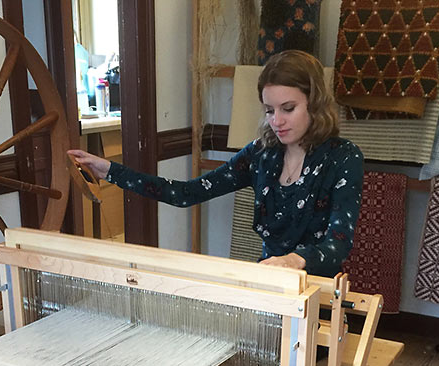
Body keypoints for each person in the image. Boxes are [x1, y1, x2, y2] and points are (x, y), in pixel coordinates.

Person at [67, 50, 363, 278]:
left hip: (318, 296)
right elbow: (186, 193)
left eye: (288, 108)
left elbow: (338, 243)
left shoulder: (343, 158)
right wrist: (109, 170)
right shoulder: (261, 155)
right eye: (269, 110)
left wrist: (294, 260)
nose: (277, 121)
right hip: (268, 287)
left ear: (315, 103)